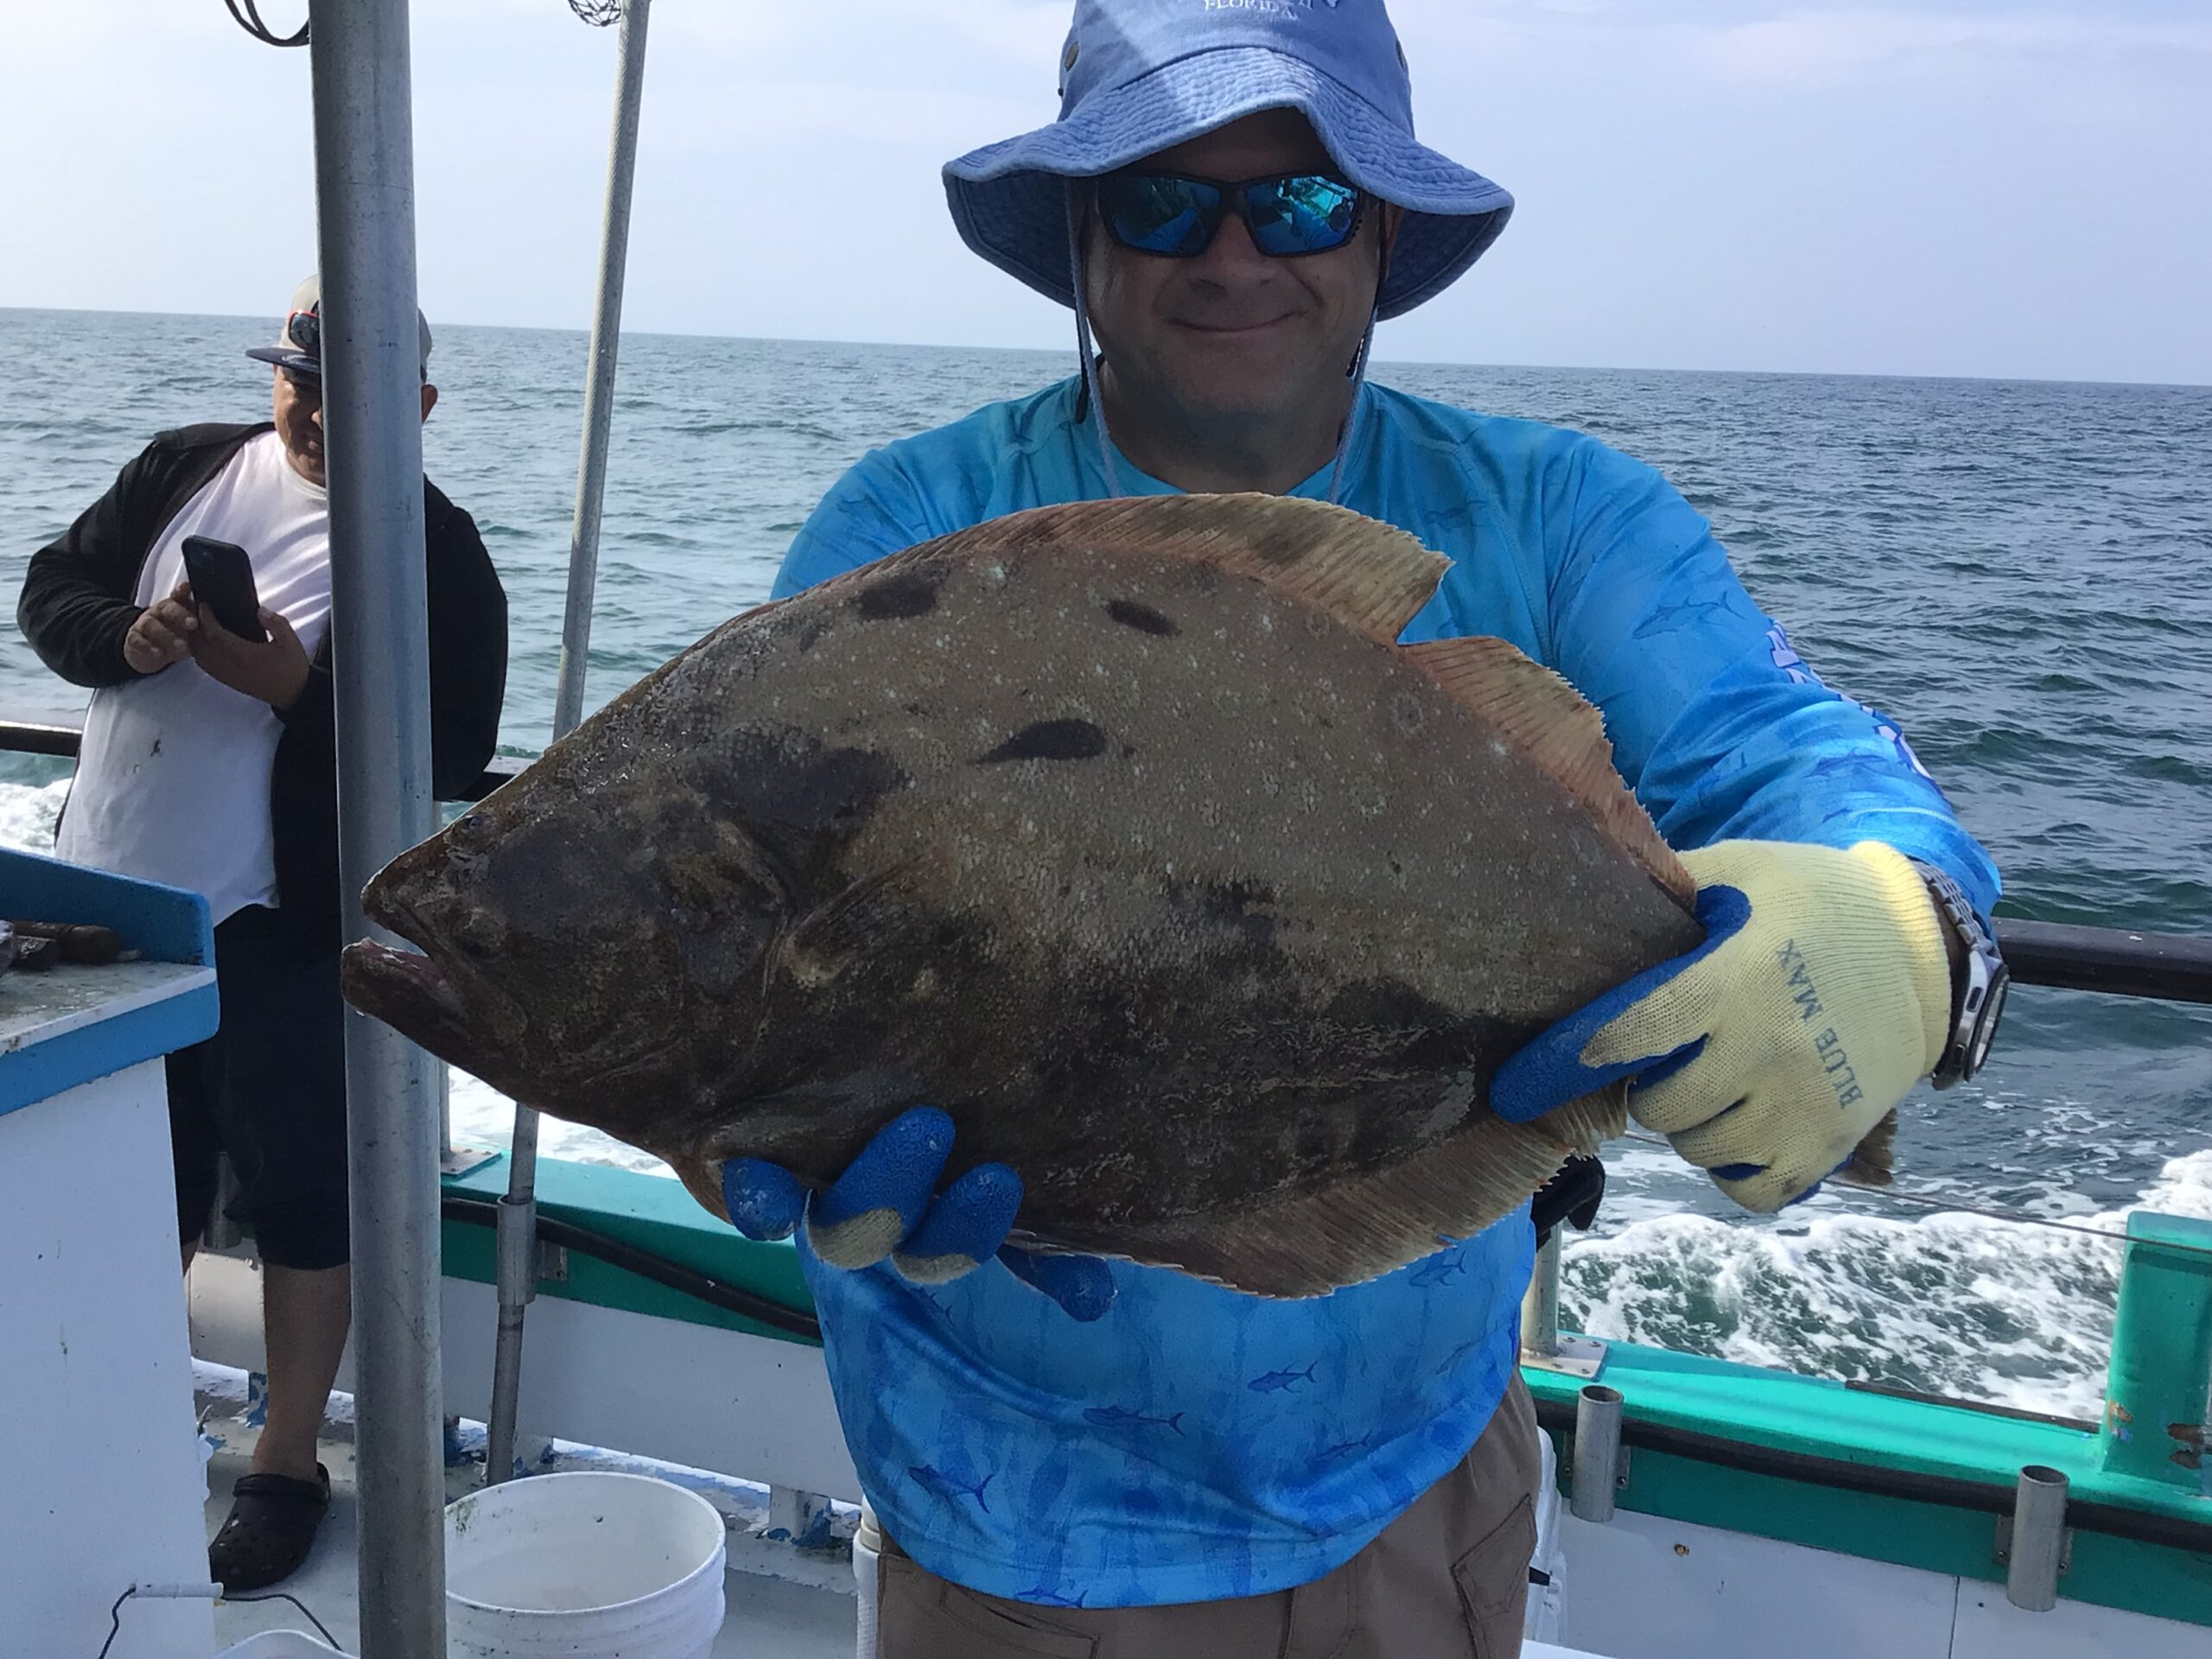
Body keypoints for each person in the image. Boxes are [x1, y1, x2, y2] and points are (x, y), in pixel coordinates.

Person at [729, 3, 2009, 1654]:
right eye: (1165, 200)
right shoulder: (907, 532)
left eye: (1307, 201)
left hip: (1414, 1493)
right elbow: (788, 891)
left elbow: (1798, 761)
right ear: (1082, 239)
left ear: (1383, 233)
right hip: (1001, 1511)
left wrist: (1904, 920)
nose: (1237, 251)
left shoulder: (1561, 518)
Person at [16, 276, 509, 1592]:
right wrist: (131, 634)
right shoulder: (182, 469)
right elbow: (52, 588)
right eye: (296, 382)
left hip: (278, 932)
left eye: (346, 393)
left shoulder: (435, 551)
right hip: (107, 906)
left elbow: (451, 755)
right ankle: (124, 1417)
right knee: (127, 1191)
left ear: (415, 407)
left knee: (302, 1199)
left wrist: (296, 689)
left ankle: (284, 1460)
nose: (312, 412)